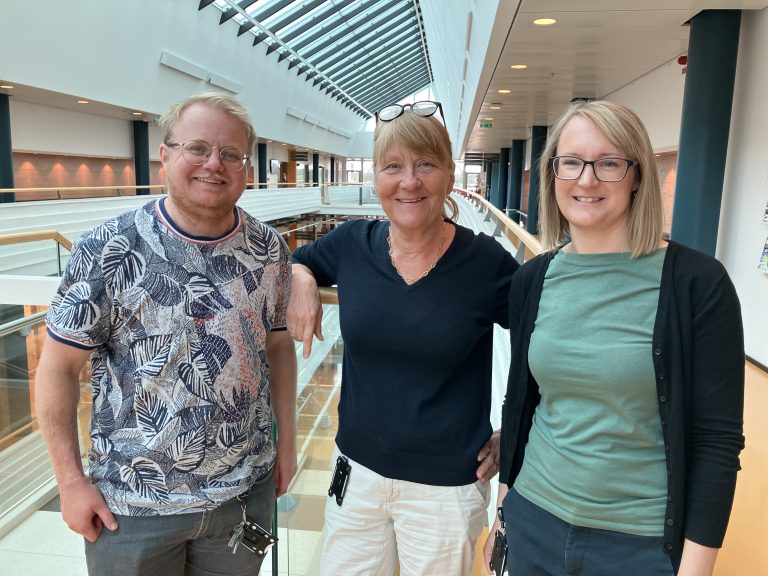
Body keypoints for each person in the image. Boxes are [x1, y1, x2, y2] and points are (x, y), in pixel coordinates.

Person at [35, 91, 297, 576]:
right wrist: (70, 483)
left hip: (243, 494)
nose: (213, 164)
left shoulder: (269, 249)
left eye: (231, 154)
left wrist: (288, 445)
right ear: (165, 155)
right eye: (197, 148)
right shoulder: (108, 247)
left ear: (246, 166)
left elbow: (278, 347)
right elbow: (57, 368)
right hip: (132, 509)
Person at [483, 100, 744, 576]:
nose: (586, 180)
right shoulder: (533, 280)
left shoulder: (697, 284)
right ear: (553, 173)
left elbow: (716, 441)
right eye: (571, 162)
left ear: (637, 175)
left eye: (608, 163)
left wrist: (695, 569)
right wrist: (504, 512)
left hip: (638, 545)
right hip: (534, 522)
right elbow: (520, 403)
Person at [288, 100, 519, 575]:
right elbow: (295, 261)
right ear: (377, 179)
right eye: (393, 167)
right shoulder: (352, 244)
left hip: (445, 490)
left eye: (425, 165)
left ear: (450, 175)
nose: (409, 182)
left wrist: (513, 433)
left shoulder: (485, 263)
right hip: (357, 475)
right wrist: (301, 276)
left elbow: (546, 346)